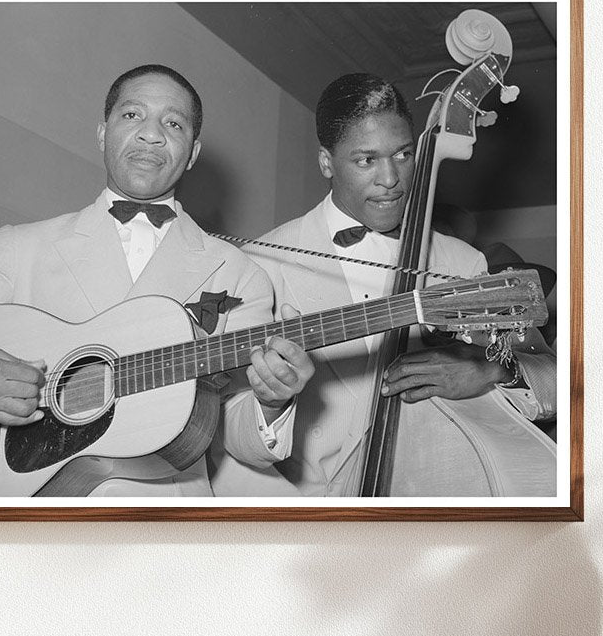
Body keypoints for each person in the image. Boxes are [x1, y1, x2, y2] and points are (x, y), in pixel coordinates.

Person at [0, 64, 313, 497]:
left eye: (173, 123)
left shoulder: (239, 272)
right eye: (132, 115)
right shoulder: (22, 247)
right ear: (102, 134)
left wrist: (272, 402)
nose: (151, 135)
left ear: (192, 153)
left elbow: (234, 433)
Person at [211, 73, 556, 498]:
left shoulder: (462, 261)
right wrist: (270, 402)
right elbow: (228, 430)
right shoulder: (263, 262)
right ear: (325, 162)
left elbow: (551, 381)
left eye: (403, 154)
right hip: (309, 518)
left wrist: (489, 371)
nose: (391, 178)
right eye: (366, 160)